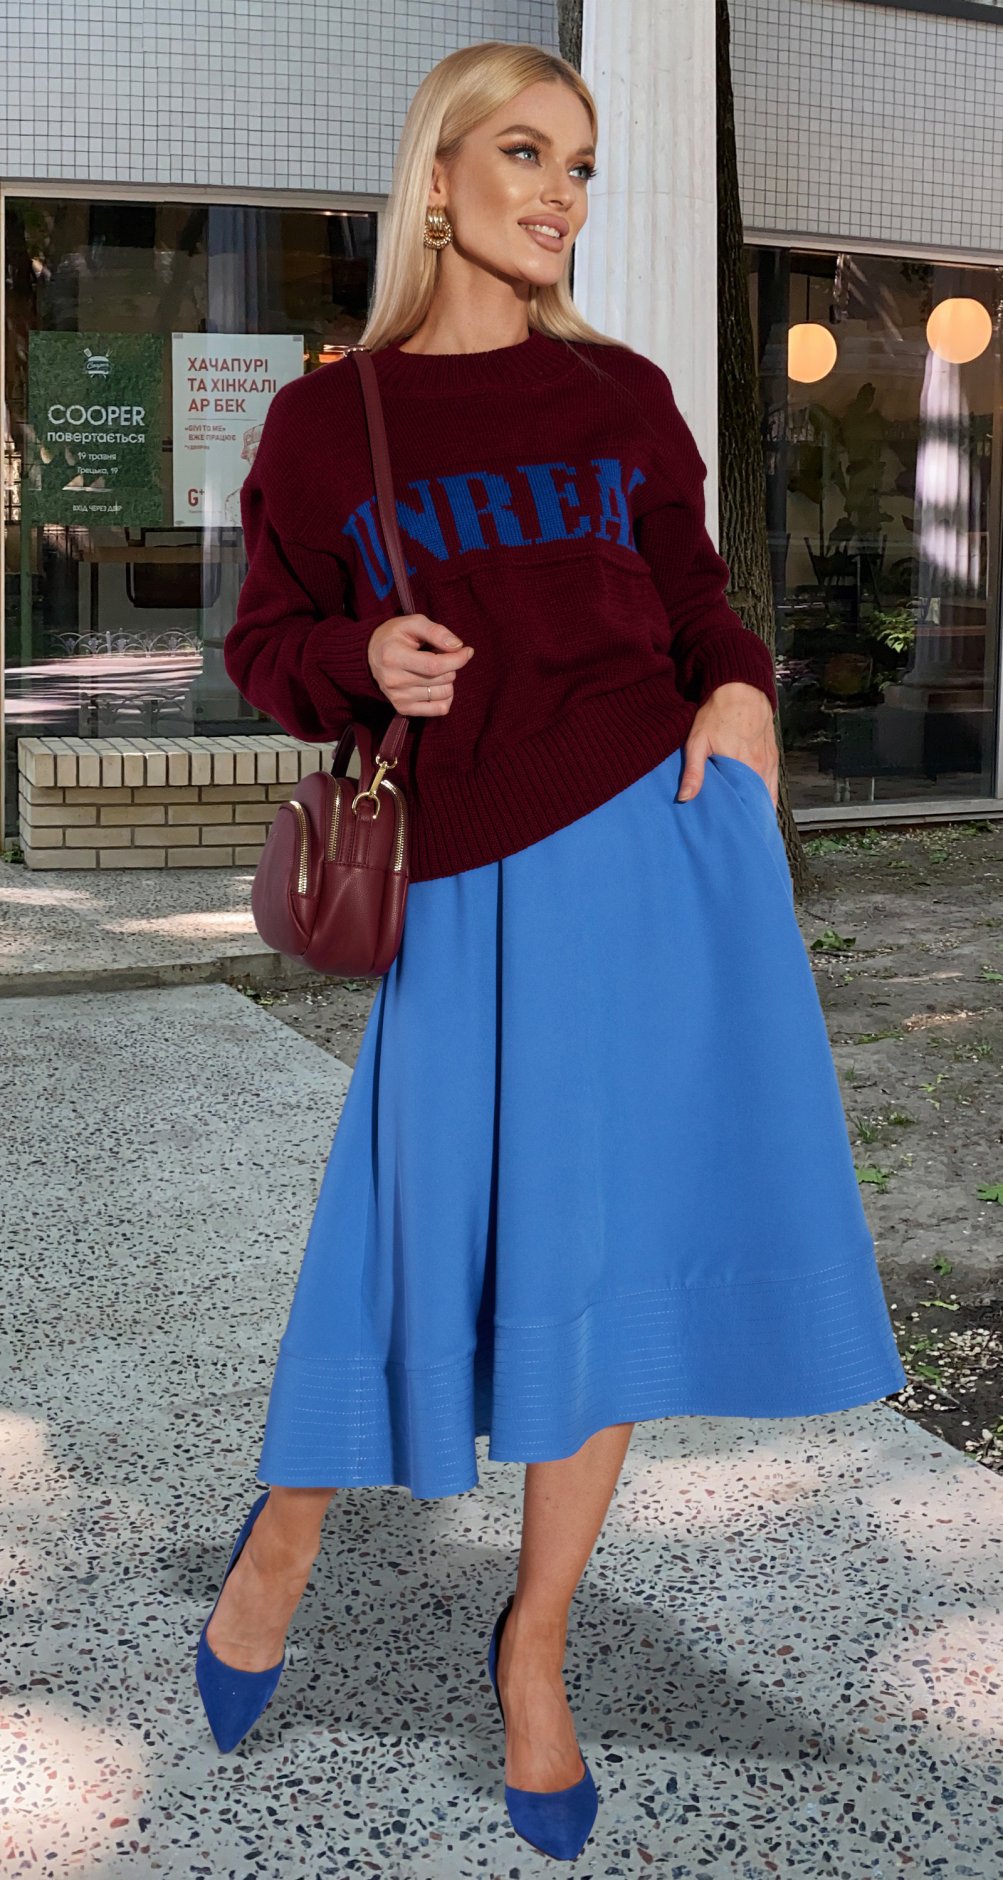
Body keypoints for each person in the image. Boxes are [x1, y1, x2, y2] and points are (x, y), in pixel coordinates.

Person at [196, 39, 906, 1861]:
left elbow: (695, 600)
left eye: (581, 166)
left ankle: (536, 1641)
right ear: (437, 176)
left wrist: (741, 690)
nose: (562, 195)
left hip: (659, 847)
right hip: (464, 872)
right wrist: (359, 660)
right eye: (526, 154)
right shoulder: (326, 426)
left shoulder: (620, 392)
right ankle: (288, 1533)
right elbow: (264, 646)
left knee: (606, 1248)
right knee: (405, 1227)